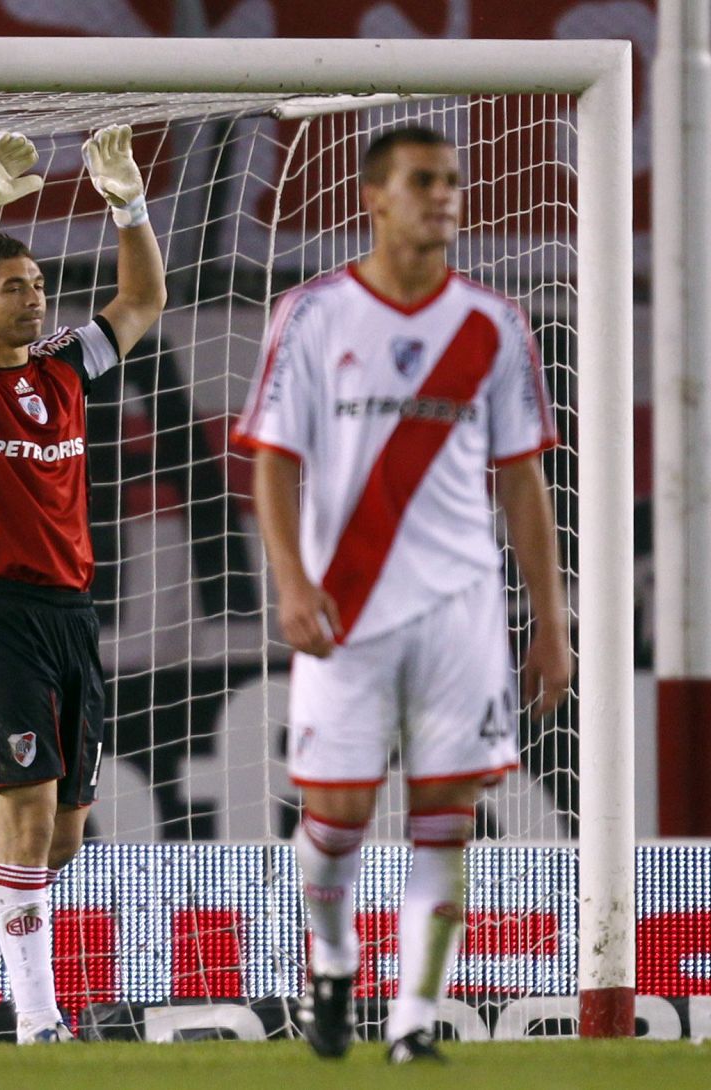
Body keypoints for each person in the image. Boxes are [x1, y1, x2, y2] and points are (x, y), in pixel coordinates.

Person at [233, 126, 571, 1064]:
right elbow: (272, 463)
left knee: (445, 823)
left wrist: (550, 619)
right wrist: (292, 584)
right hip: (345, 608)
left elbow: (522, 482)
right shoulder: (313, 314)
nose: (446, 197)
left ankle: (417, 1021)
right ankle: (333, 959)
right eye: (425, 181)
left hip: (463, 609)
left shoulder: (496, 324)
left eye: (454, 182)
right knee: (333, 826)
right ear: (375, 196)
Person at [0, 126, 165, 1044]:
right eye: (16, 287)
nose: (35, 297)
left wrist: (127, 203)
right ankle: (42, 1027)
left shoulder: (64, 367)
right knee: (27, 824)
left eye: (40, 286)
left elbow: (143, 297)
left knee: (61, 842)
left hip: (73, 614)